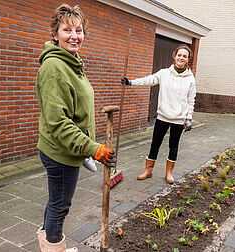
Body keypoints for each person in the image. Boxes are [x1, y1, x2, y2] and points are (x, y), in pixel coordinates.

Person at [35, 4, 116, 252]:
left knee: (56, 201)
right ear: (55, 33)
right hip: (60, 153)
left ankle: (48, 238)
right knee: (60, 205)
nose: (74, 35)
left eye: (79, 30)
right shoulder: (55, 68)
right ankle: (53, 246)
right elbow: (59, 123)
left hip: (70, 150)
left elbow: (76, 109)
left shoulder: (72, 62)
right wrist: (92, 148)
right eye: (67, 29)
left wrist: (84, 150)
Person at [121, 44, 196, 184]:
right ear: (175, 56)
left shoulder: (190, 79)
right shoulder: (164, 73)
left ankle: (169, 173)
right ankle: (148, 171)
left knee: (173, 146)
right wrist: (131, 82)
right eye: (179, 55)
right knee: (155, 143)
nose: (181, 58)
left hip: (179, 119)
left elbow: (191, 100)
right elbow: (148, 80)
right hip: (163, 116)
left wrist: (189, 118)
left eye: (184, 56)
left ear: (188, 59)